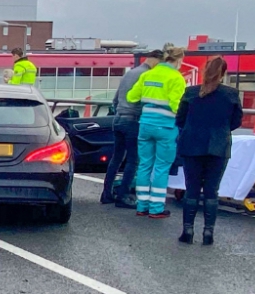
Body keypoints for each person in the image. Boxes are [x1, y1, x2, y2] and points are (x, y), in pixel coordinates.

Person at [174, 57, 243, 245]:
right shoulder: (231, 94)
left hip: (192, 144)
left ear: (204, 71)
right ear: (223, 73)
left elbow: (180, 119)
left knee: (192, 189)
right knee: (212, 190)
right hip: (219, 145)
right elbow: (236, 122)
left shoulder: (190, 93)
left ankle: (188, 229)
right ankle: (208, 232)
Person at [127, 46, 187, 218]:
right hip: (166, 127)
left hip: (145, 124)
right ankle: (156, 208)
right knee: (161, 167)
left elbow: (132, 97)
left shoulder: (147, 74)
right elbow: (177, 105)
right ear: (178, 60)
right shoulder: (176, 78)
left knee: (145, 165)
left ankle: (141, 205)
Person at [100, 49, 163, 208]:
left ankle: (106, 193)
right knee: (133, 160)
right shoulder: (146, 76)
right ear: (156, 60)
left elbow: (115, 100)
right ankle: (123, 196)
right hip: (133, 120)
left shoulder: (129, 73)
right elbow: (144, 101)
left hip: (119, 119)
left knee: (116, 157)